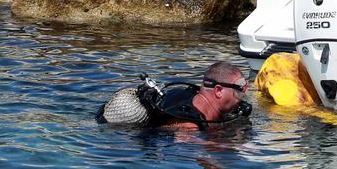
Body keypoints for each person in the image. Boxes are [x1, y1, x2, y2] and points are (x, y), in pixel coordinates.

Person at [98, 63, 251, 128]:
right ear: (218, 91)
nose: (242, 96)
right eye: (239, 90)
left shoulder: (187, 93)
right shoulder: (189, 127)